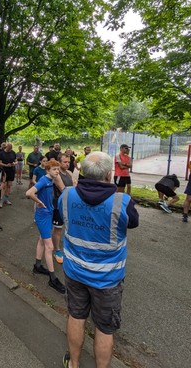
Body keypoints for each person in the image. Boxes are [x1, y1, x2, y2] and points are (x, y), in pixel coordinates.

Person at [58, 151, 139, 368]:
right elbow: (133, 223)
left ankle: (73, 364)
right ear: (109, 174)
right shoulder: (122, 201)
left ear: (82, 172)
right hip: (107, 278)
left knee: (76, 316)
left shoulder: (66, 195)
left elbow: (64, 216)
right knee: (104, 328)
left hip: (74, 272)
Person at [25, 159, 66, 294]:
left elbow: (61, 186)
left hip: (48, 213)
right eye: (54, 169)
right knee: (50, 246)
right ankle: (52, 279)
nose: (57, 171)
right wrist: (39, 202)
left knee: (42, 240)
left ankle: (37, 265)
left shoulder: (51, 179)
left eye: (57, 169)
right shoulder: (44, 180)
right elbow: (29, 193)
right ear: (48, 170)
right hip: (42, 215)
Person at [51, 153, 74, 265]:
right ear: (59, 162)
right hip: (57, 205)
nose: (67, 164)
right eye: (64, 162)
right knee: (58, 229)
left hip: (68, 204)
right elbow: (63, 189)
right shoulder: (56, 174)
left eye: (68, 162)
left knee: (67, 228)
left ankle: (65, 248)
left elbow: (75, 186)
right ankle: (57, 251)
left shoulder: (69, 173)